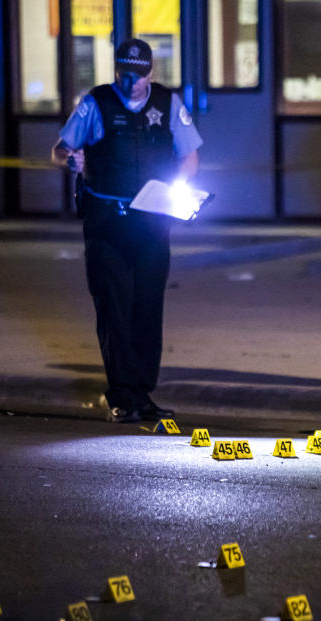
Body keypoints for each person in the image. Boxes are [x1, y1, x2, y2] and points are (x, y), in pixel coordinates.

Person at [51, 38, 203, 423]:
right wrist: (70, 158)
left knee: (148, 308)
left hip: (152, 222)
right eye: (123, 73)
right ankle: (121, 396)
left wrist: (176, 188)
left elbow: (190, 156)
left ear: (151, 73)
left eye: (138, 75)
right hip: (107, 223)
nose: (130, 82)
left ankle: (142, 394)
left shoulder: (168, 104)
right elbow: (61, 148)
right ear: (116, 69)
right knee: (114, 309)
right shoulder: (96, 103)